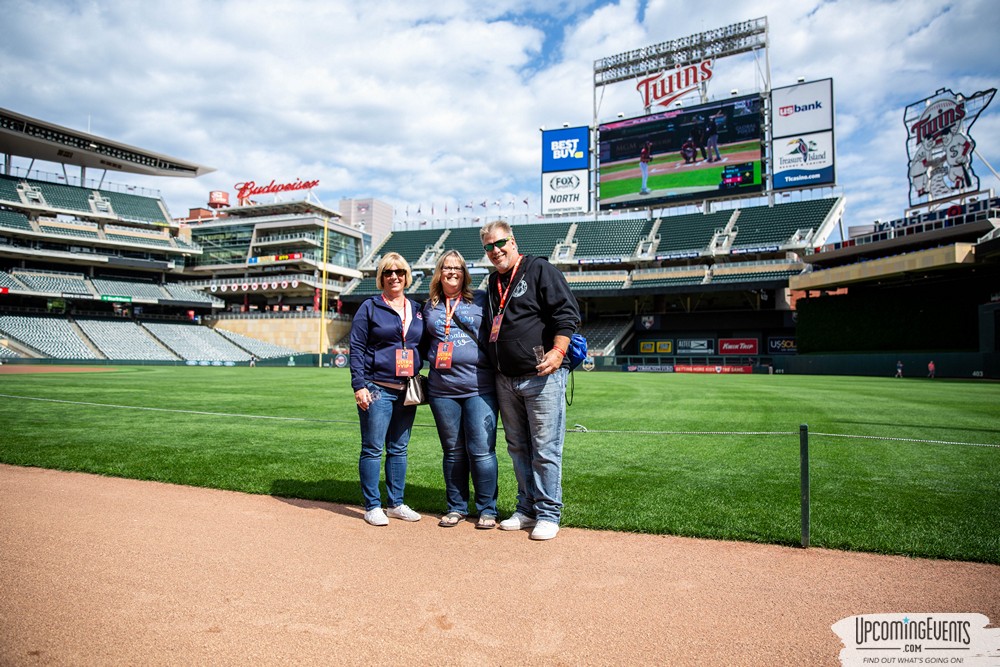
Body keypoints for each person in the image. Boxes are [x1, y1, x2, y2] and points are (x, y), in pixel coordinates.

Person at [480, 220, 581, 541]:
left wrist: (558, 350)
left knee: (546, 448)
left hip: (542, 375)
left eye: (500, 243)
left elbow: (567, 312)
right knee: (518, 447)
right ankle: (526, 508)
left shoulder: (539, 269)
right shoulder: (492, 282)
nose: (496, 251)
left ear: (513, 241)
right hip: (506, 378)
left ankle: (549, 512)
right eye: (489, 247)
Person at [421, 250, 499, 529]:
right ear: (439, 272)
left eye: (457, 267)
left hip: (480, 387)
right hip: (442, 389)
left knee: (482, 451)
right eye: (446, 267)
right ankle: (456, 507)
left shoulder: (480, 298)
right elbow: (420, 343)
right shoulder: (429, 305)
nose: (452, 272)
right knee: (452, 451)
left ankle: (488, 509)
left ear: (464, 273)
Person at [349, 252, 425, 526]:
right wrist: (359, 385)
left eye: (400, 272)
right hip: (376, 387)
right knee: (372, 448)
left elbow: (422, 345)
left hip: (407, 390)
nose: (395, 276)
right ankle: (372, 505)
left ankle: (396, 503)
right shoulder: (369, 307)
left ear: (407, 277)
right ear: (381, 278)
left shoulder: (417, 308)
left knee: (399, 448)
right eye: (388, 272)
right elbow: (356, 348)